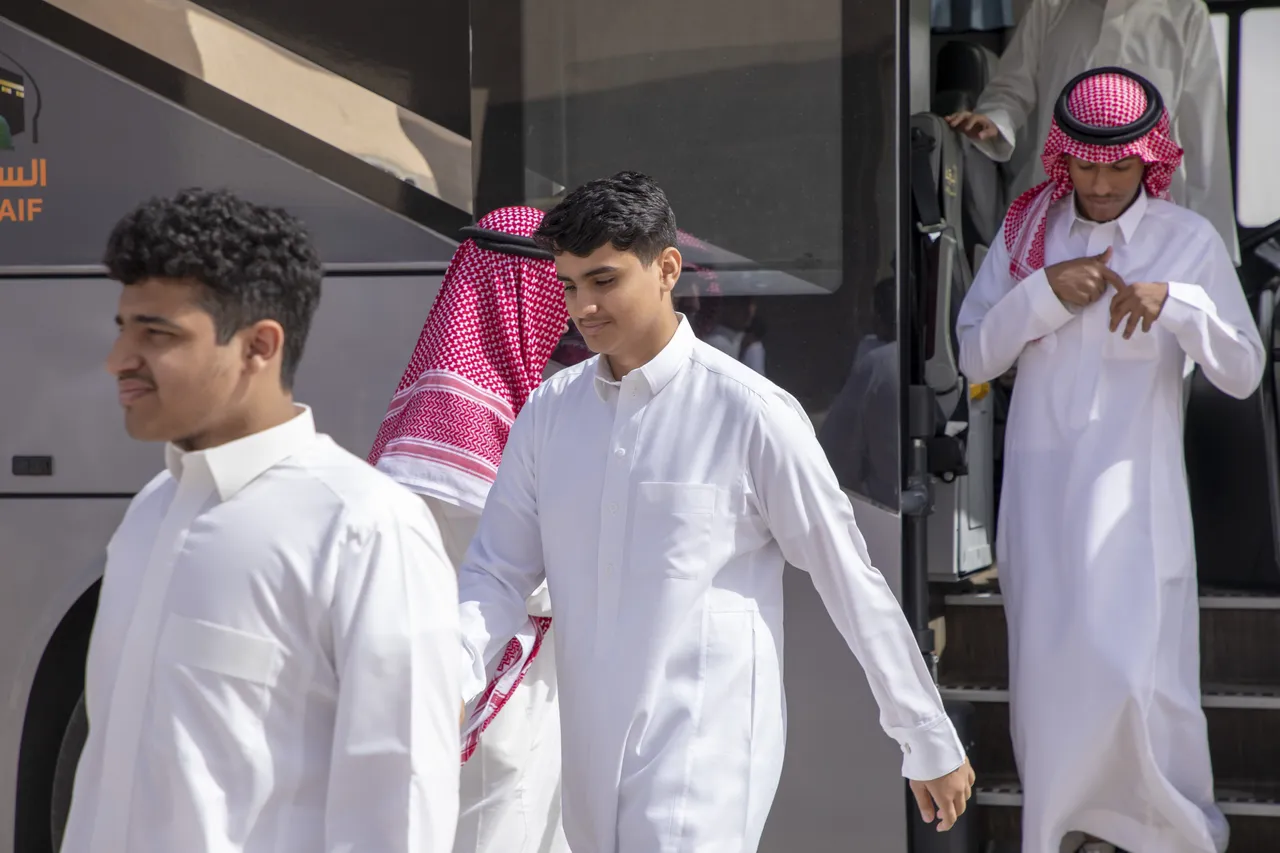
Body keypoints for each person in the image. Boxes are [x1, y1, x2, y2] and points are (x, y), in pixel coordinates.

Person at [456, 170, 975, 852]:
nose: (585, 306)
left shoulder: (751, 412)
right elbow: (496, 573)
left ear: (667, 268)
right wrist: (445, 678)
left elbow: (848, 577)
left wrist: (925, 734)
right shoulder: (550, 414)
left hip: (704, 748)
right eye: (570, 286)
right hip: (586, 754)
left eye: (604, 280)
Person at [60, 188, 462, 853]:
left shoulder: (363, 527)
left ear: (258, 345)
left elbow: (400, 804)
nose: (118, 360)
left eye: (156, 333)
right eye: (123, 327)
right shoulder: (151, 512)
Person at [956, 69, 1264, 853]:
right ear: (1063, 158)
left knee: (1138, 676)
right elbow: (974, 354)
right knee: (1050, 676)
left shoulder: (1186, 241)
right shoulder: (1030, 233)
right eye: (1087, 166)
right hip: (1042, 496)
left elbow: (1243, 371)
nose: (1100, 184)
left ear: (1149, 161)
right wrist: (1043, 293)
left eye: (1119, 166)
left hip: (1138, 501)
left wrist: (1178, 305)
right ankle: (1062, 830)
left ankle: (1166, 832)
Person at [368, 205, 571, 853]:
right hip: (487, 684)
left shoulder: (440, 398)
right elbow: (507, 569)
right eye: (559, 288)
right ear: (524, 294)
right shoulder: (470, 419)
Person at [945, 0, 1239, 263]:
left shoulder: (1185, 12)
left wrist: (1216, 250)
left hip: (1149, 220)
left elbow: (1205, 132)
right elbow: (1013, 86)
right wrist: (996, 118)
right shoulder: (1050, 7)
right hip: (1056, 208)